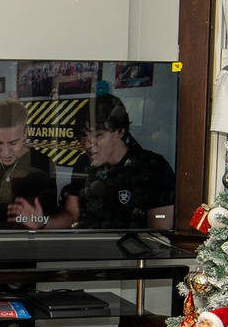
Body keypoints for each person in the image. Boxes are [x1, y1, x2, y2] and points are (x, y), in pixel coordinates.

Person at [43, 93, 175, 230]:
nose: (87, 144)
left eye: (98, 135)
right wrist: (41, 222)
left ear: (119, 132)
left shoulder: (154, 167)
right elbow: (72, 213)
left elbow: (159, 232)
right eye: (83, 136)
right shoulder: (84, 163)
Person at [0, 99, 59, 228]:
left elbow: (48, 213)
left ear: (25, 133)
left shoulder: (42, 163)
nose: (5, 152)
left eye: (13, 143)